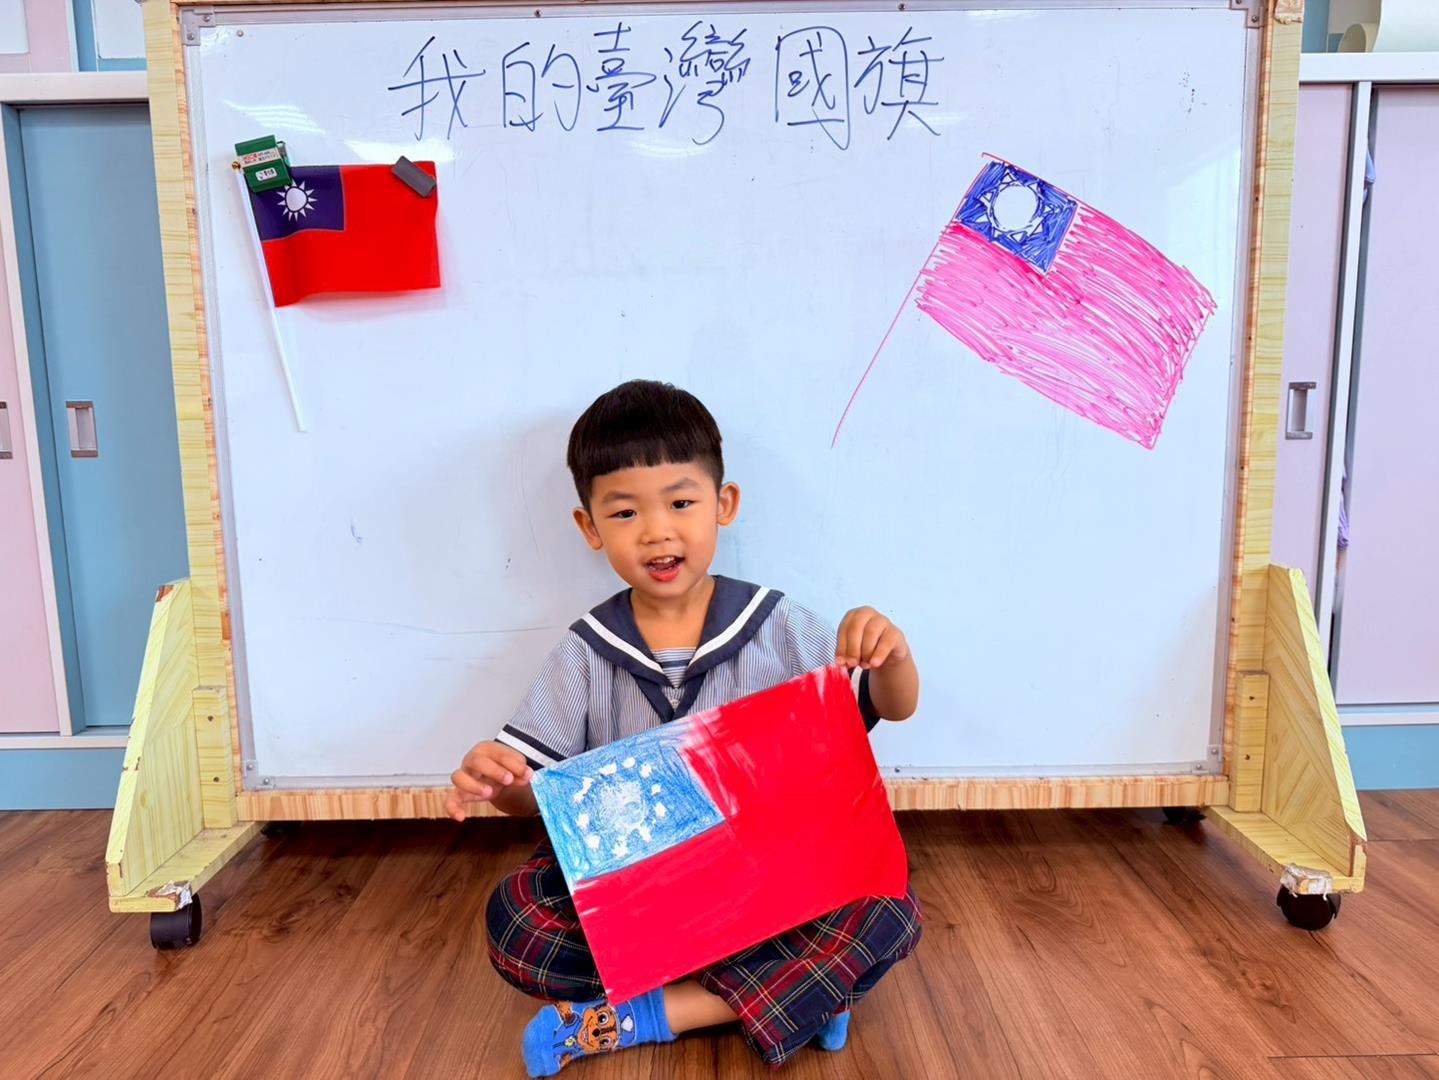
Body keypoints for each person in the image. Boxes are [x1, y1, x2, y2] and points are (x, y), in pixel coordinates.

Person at [446, 379, 922, 1076]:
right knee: (515, 919)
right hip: (647, 895)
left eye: (680, 502)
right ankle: (805, 990)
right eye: (624, 511)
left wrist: (892, 656)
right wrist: (500, 778)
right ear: (589, 527)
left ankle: (646, 1015)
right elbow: (532, 793)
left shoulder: (779, 626)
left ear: (723, 505)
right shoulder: (585, 650)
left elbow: (885, 708)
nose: (657, 530)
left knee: (888, 903)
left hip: (773, 879)